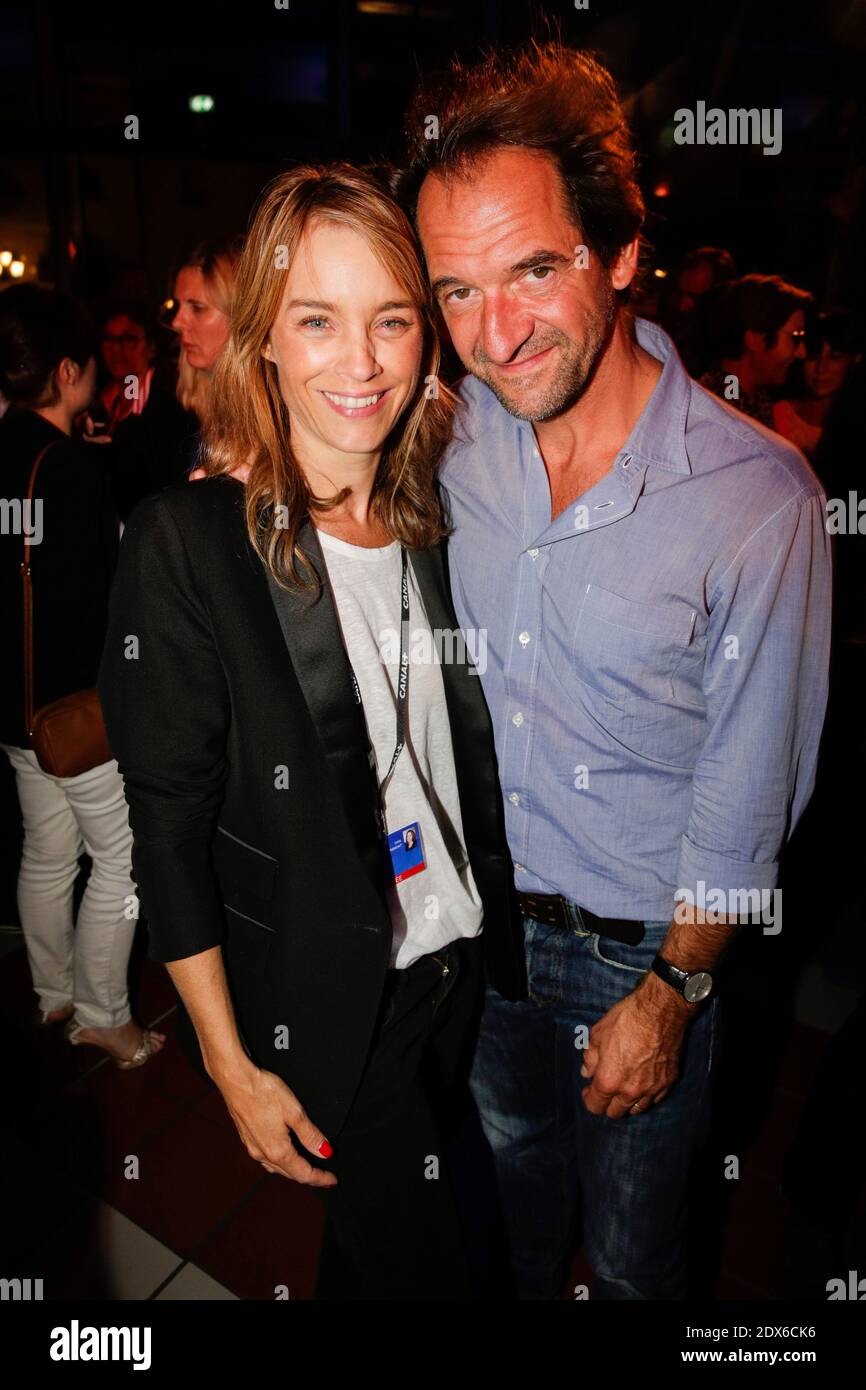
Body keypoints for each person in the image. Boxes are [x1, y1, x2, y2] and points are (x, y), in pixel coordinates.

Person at [394, 38, 832, 1299]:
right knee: (515, 1223)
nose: (497, 331)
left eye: (534, 269)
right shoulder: (452, 434)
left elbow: (747, 802)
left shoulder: (759, 498)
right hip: (481, 940)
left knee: (640, 1262)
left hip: (640, 959)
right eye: (458, 291)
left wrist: (674, 993)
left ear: (622, 253)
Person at [96, 164, 526, 1299]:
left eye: (391, 319)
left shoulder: (434, 510)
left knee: (373, 1254)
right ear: (264, 342)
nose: (364, 361)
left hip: (453, 956)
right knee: (442, 1267)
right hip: (339, 1006)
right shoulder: (188, 542)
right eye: (318, 321)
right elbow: (168, 829)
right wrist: (232, 1067)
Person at [0, 283, 164, 1067]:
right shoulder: (69, 468)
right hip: (71, 709)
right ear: (68, 371)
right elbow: (104, 595)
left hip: (15, 711)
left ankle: (52, 990)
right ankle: (102, 1012)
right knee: (122, 857)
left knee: (46, 849)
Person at [86, 299, 195, 519]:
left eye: (128, 339)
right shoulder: (97, 402)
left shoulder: (173, 404)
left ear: (151, 347)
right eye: (109, 339)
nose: (116, 348)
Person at [698, 273, 812, 425]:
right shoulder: (721, 407)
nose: (802, 352)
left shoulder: (752, 398)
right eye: (795, 336)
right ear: (754, 339)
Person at [166, 237, 241, 467]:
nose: (177, 322)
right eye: (178, 306)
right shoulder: (185, 411)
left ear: (241, 315)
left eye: (197, 308)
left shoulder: (275, 416)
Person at [773, 309, 862, 460]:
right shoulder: (778, 415)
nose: (821, 368)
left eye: (835, 358)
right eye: (813, 358)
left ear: (855, 360)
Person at [657, 246, 737, 376]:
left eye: (696, 297)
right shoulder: (677, 330)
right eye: (681, 294)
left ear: (721, 295)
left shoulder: (731, 352)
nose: (683, 306)